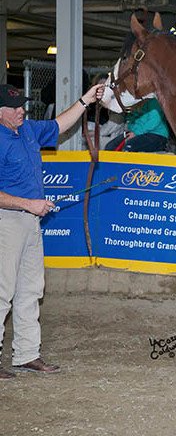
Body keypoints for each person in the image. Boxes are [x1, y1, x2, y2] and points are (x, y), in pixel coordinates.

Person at [0, 82, 104, 379]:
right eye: (16, 107)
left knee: (30, 290)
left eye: (23, 105)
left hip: (29, 221)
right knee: (2, 291)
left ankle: (26, 354)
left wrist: (85, 101)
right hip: (6, 221)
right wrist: (28, 203)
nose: (23, 110)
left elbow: (60, 124)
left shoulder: (29, 129)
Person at [105, 98, 171, 153]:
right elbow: (130, 122)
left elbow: (155, 119)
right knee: (110, 147)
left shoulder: (153, 101)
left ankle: (127, 168)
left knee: (129, 146)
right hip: (137, 133)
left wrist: (136, 133)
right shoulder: (133, 104)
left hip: (157, 134)